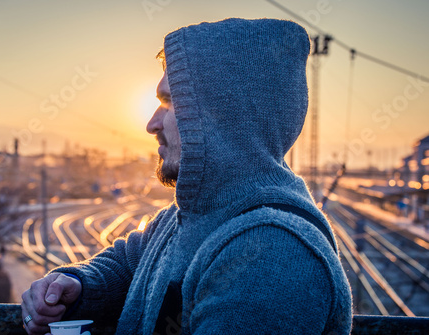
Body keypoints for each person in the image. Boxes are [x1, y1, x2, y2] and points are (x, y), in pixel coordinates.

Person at [21, 18, 353, 334]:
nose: (151, 124)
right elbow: (128, 263)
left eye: (169, 104)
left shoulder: (270, 255)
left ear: (223, 117)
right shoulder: (190, 218)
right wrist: (76, 285)